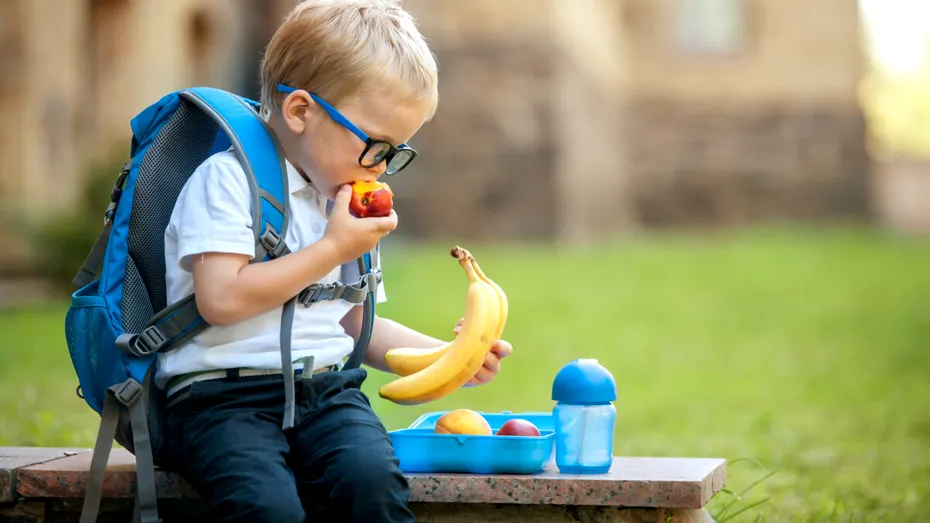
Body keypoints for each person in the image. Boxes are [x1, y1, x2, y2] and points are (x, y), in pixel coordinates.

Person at [155, 1, 513, 522]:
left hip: (325, 392)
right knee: (267, 509)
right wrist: (331, 249)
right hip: (221, 398)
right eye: (375, 145)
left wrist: (452, 356)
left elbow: (354, 325)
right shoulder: (228, 182)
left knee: (374, 485)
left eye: (396, 151)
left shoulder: (344, 203)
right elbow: (220, 298)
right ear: (301, 111)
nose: (382, 166)